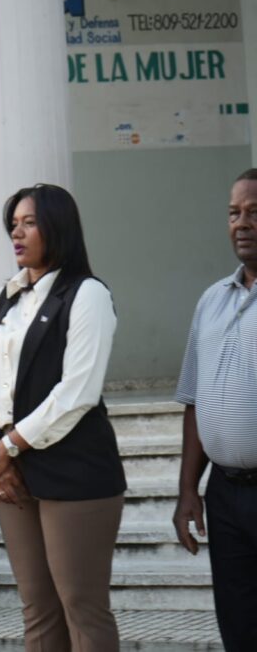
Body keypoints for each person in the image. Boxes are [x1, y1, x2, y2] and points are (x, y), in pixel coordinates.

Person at [0, 184, 125, 652]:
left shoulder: (87, 294)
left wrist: (7, 446)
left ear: (58, 227)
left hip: (75, 471)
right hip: (10, 470)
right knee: (37, 608)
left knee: (81, 607)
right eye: (13, 224)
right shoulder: (4, 296)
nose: (16, 233)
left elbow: (77, 392)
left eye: (29, 223)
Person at [173, 168, 257, 651]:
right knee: (238, 624)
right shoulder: (211, 300)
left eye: (254, 212)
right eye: (233, 213)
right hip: (225, 493)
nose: (242, 223)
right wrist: (188, 489)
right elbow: (194, 400)